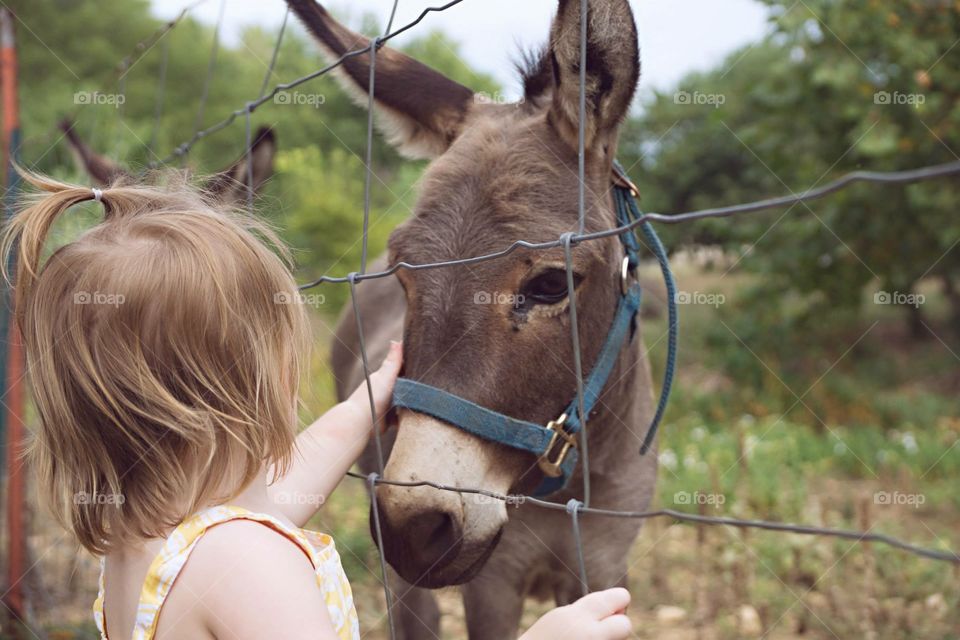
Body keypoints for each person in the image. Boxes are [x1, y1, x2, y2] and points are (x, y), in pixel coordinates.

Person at [2, 171, 633, 640]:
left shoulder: (142, 539)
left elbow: (279, 487)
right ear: (244, 387)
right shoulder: (247, 565)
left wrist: (368, 403)